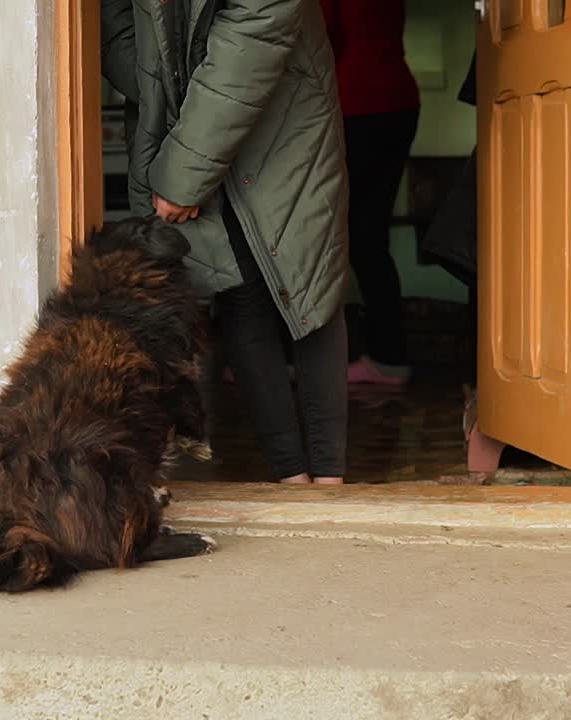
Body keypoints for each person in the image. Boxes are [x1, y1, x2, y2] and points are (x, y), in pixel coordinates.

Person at [101, 0, 352, 485]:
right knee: (238, 292)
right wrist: (173, 103)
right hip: (185, 121)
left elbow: (250, 44)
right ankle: (292, 481)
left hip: (285, 117)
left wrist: (181, 174)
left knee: (310, 287)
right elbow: (116, 34)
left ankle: (329, 484)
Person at [320, 0, 420, 386]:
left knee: (334, 235)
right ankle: (388, 354)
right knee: (369, 237)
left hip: (356, 102)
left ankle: (374, 355)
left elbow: (321, 33)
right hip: (398, 99)